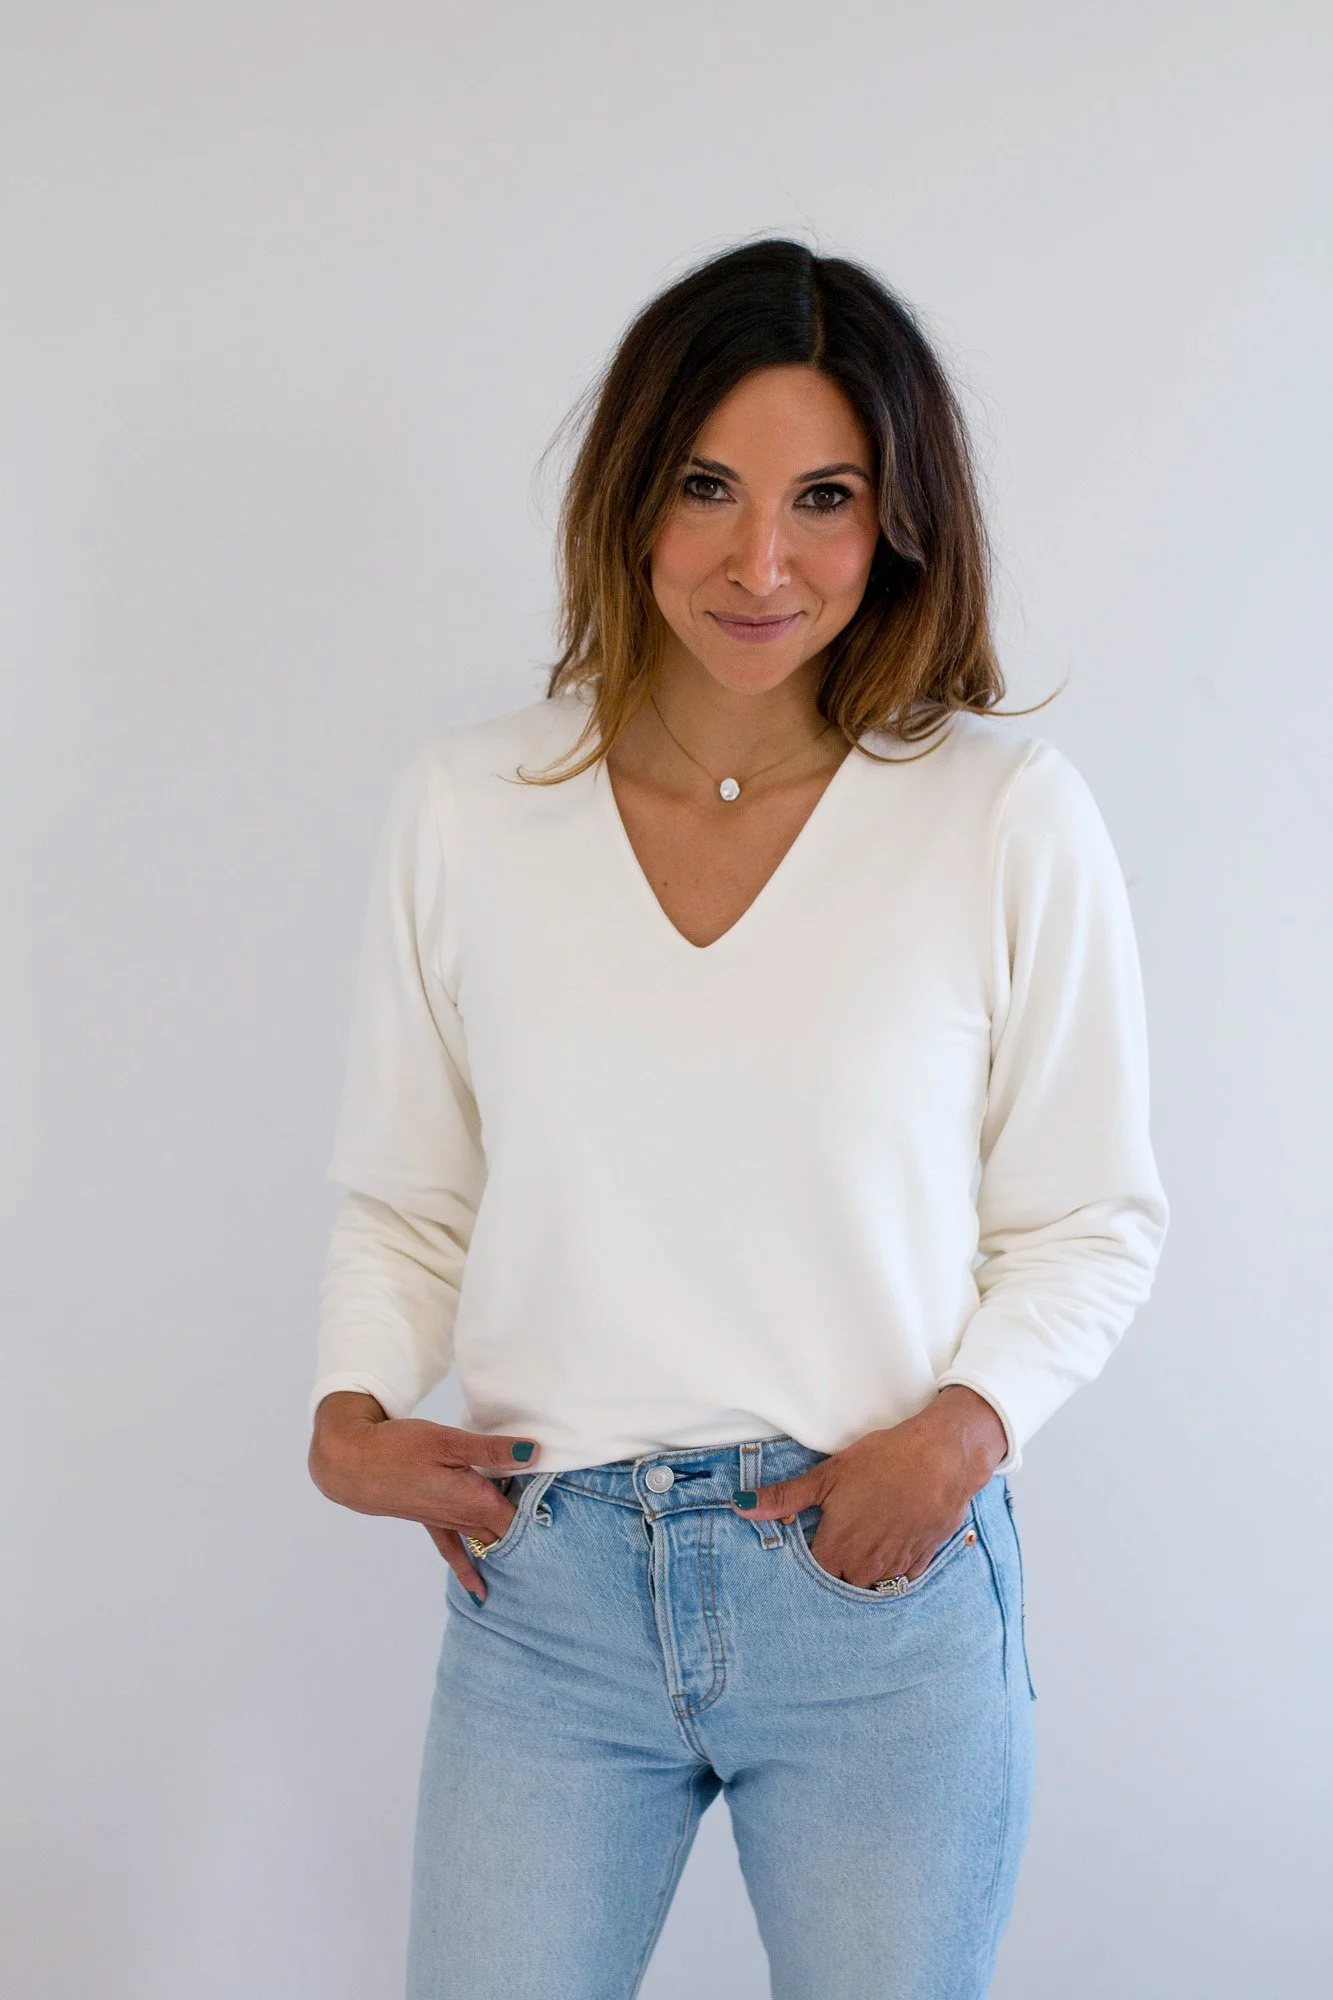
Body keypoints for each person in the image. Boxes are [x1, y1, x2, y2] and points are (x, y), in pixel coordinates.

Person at [307, 237, 1169, 2000]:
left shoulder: (1003, 816)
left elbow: (1093, 1214)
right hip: (544, 1604)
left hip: (874, 1595)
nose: (758, 560)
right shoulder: (473, 806)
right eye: (707, 486)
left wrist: (955, 1443)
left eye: (824, 499)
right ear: (632, 500)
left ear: (898, 523)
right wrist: (347, 1417)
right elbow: (411, 1191)